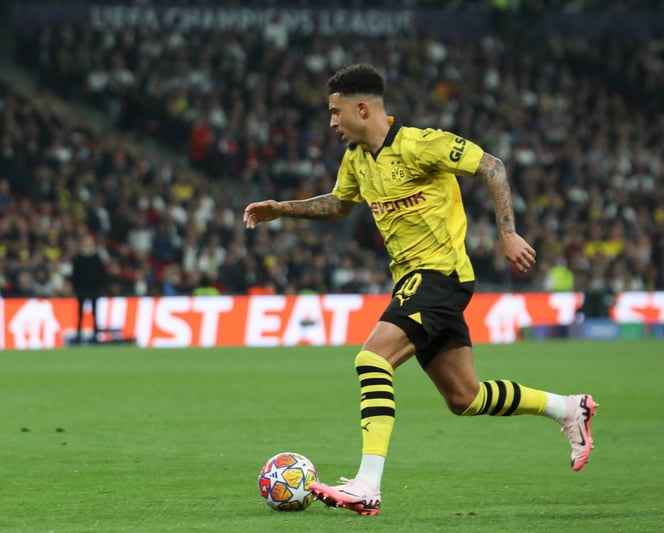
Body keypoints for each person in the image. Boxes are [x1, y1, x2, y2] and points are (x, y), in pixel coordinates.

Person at [243, 64, 597, 516]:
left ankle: (367, 484)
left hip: (439, 275)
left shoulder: (420, 144)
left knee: (372, 359)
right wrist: (282, 209)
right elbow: (339, 203)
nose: (331, 122)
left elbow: (492, 166)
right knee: (465, 397)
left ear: (362, 108)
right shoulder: (357, 159)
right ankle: (568, 408)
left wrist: (507, 233)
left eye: (335, 111)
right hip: (414, 281)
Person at [71, 233, 107, 344]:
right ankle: (78, 335)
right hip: (82, 289)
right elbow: (75, 275)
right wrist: (76, 287)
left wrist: (99, 286)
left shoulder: (96, 257)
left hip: (93, 289)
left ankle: (96, 335)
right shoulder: (78, 258)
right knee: (79, 313)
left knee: (95, 313)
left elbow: (101, 273)